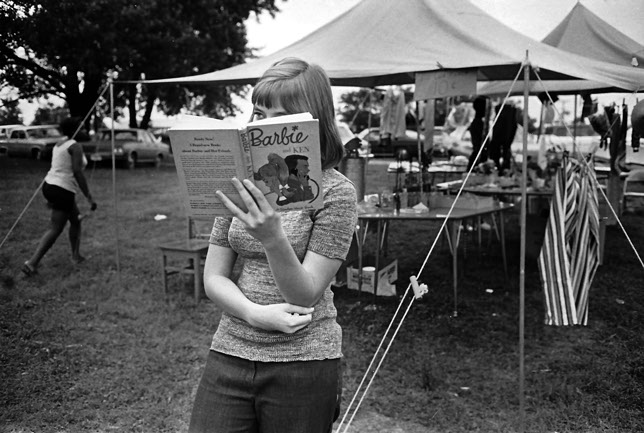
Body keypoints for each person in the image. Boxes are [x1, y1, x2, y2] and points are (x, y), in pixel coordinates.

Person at [188, 57, 358, 433]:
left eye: (280, 119)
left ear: (312, 123)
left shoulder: (336, 192)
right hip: (231, 348)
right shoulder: (241, 183)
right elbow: (213, 277)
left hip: (305, 358)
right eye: (259, 114)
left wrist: (272, 237)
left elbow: (305, 293)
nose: (264, 127)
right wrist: (252, 314)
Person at [21, 117, 96, 276]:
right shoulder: (75, 146)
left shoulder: (59, 144)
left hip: (50, 186)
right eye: (81, 128)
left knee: (75, 221)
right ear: (75, 130)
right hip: (62, 189)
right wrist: (89, 196)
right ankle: (32, 263)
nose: (84, 131)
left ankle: (76, 256)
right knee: (55, 228)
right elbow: (77, 172)